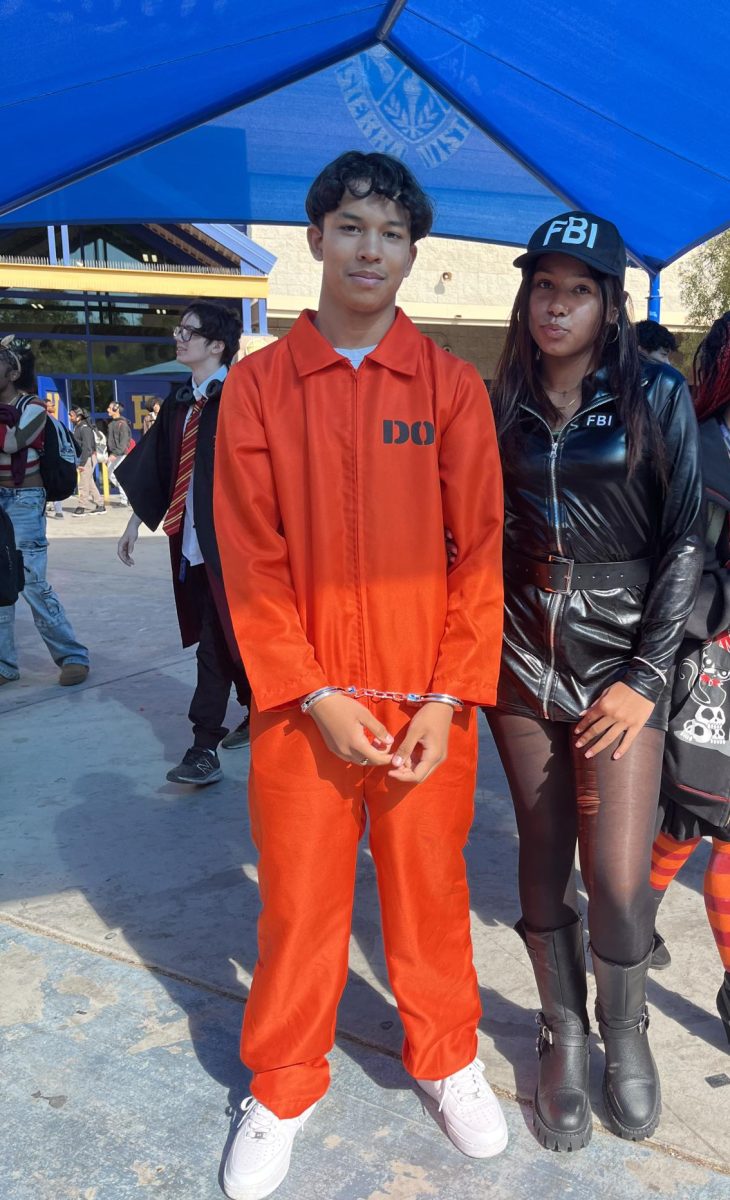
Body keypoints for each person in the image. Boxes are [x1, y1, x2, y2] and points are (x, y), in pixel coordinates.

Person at [213, 150, 506, 1200]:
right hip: (305, 706)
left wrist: (446, 693)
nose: (369, 246)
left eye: (389, 232)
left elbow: (480, 549)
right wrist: (309, 690)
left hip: (427, 698)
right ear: (315, 239)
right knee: (299, 905)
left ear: (413, 253)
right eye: (350, 227)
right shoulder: (256, 389)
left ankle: (447, 1058)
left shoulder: (447, 388)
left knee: (429, 894)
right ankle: (284, 1084)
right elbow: (248, 555)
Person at [485, 212, 703, 1151]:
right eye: (544, 287)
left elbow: (688, 538)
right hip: (521, 655)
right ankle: (561, 1030)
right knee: (541, 852)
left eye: (577, 289)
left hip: (623, 661)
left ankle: (625, 1028)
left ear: (610, 303)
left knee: (616, 873)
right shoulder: (503, 401)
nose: (556, 304)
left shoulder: (656, 392)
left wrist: (646, 676)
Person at [115, 302, 251, 785]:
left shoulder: (245, 398)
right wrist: (134, 522)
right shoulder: (178, 402)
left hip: (237, 550)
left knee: (214, 642)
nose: (179, 338)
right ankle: (256, 704)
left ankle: (203, 747)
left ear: (217, 345)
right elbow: (160, 467)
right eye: (179, 330)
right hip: (191, 543)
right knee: (222, 634)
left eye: (188, 332)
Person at [649, 312, 730, 1043]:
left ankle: (629, 923)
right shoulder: (710, 453)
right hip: (714, 673)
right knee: (701, 817)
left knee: (693, 822)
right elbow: (688, 578)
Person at [0, 336, 90, 686]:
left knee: (32, 583)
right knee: (1, 585)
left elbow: (11, 442)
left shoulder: (34, 407)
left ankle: (72, 656)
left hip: (25, 501)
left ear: (13, 370)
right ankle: (5, 664)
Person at [68, 406, 106, 516]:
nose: (70, 417)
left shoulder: (84, 428)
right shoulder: (79, 427)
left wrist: (82, 463)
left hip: (87, 458)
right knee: (89, 482)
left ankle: (82, 506)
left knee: (83, 484)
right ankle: (100, 505)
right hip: (85, 457)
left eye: (72, 415)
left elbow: (87, 447)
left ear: (79, 416)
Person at [105, 400, 132, 506]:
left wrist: (115, 454)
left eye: (109, 408)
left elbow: (124, 442)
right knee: (111, 475)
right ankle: (127, 492)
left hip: (120, 454)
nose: (107, 409)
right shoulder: (112, 423)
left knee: (119, 476)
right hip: (114, 454)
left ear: (116, 410)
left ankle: (124, 500)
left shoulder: (122, 424)